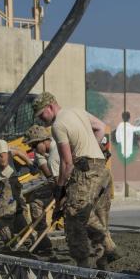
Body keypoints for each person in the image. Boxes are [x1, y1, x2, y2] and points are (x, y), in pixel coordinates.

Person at [34, 92, 117, 269]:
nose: (42, 120)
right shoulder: (77, 111)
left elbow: (67, 162)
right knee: (87, 211)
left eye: (42, 115)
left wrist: (60, 188)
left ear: (50, 106)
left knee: (73, 212)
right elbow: (101, 127)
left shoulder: (58, 125)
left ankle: (85, 262)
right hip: (100, 166)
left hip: (85, 170)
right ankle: (104, 256)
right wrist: (92, 148)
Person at [22, 124, 60, 258]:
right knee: (36, 202)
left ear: (43, 140)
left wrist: (60, 199)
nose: (34, 150)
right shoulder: (41, 153)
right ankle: (43, 243)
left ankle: (103, 246)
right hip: (56, 180)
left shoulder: (57, 150)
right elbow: (50, 176)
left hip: (70, 182)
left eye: (34, 146)